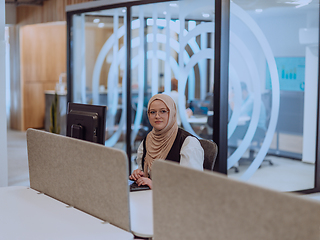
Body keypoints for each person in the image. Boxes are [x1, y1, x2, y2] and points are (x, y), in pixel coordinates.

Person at [129, 93, 204, 189]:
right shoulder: (148, 140)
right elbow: (147, 174)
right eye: (152, 112)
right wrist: (139, 174)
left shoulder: (188, 143)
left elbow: (192, 185)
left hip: (175, 201)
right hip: (149, 197)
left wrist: (155, 185)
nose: (157, 116)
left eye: (163, 111)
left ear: (172, 113)